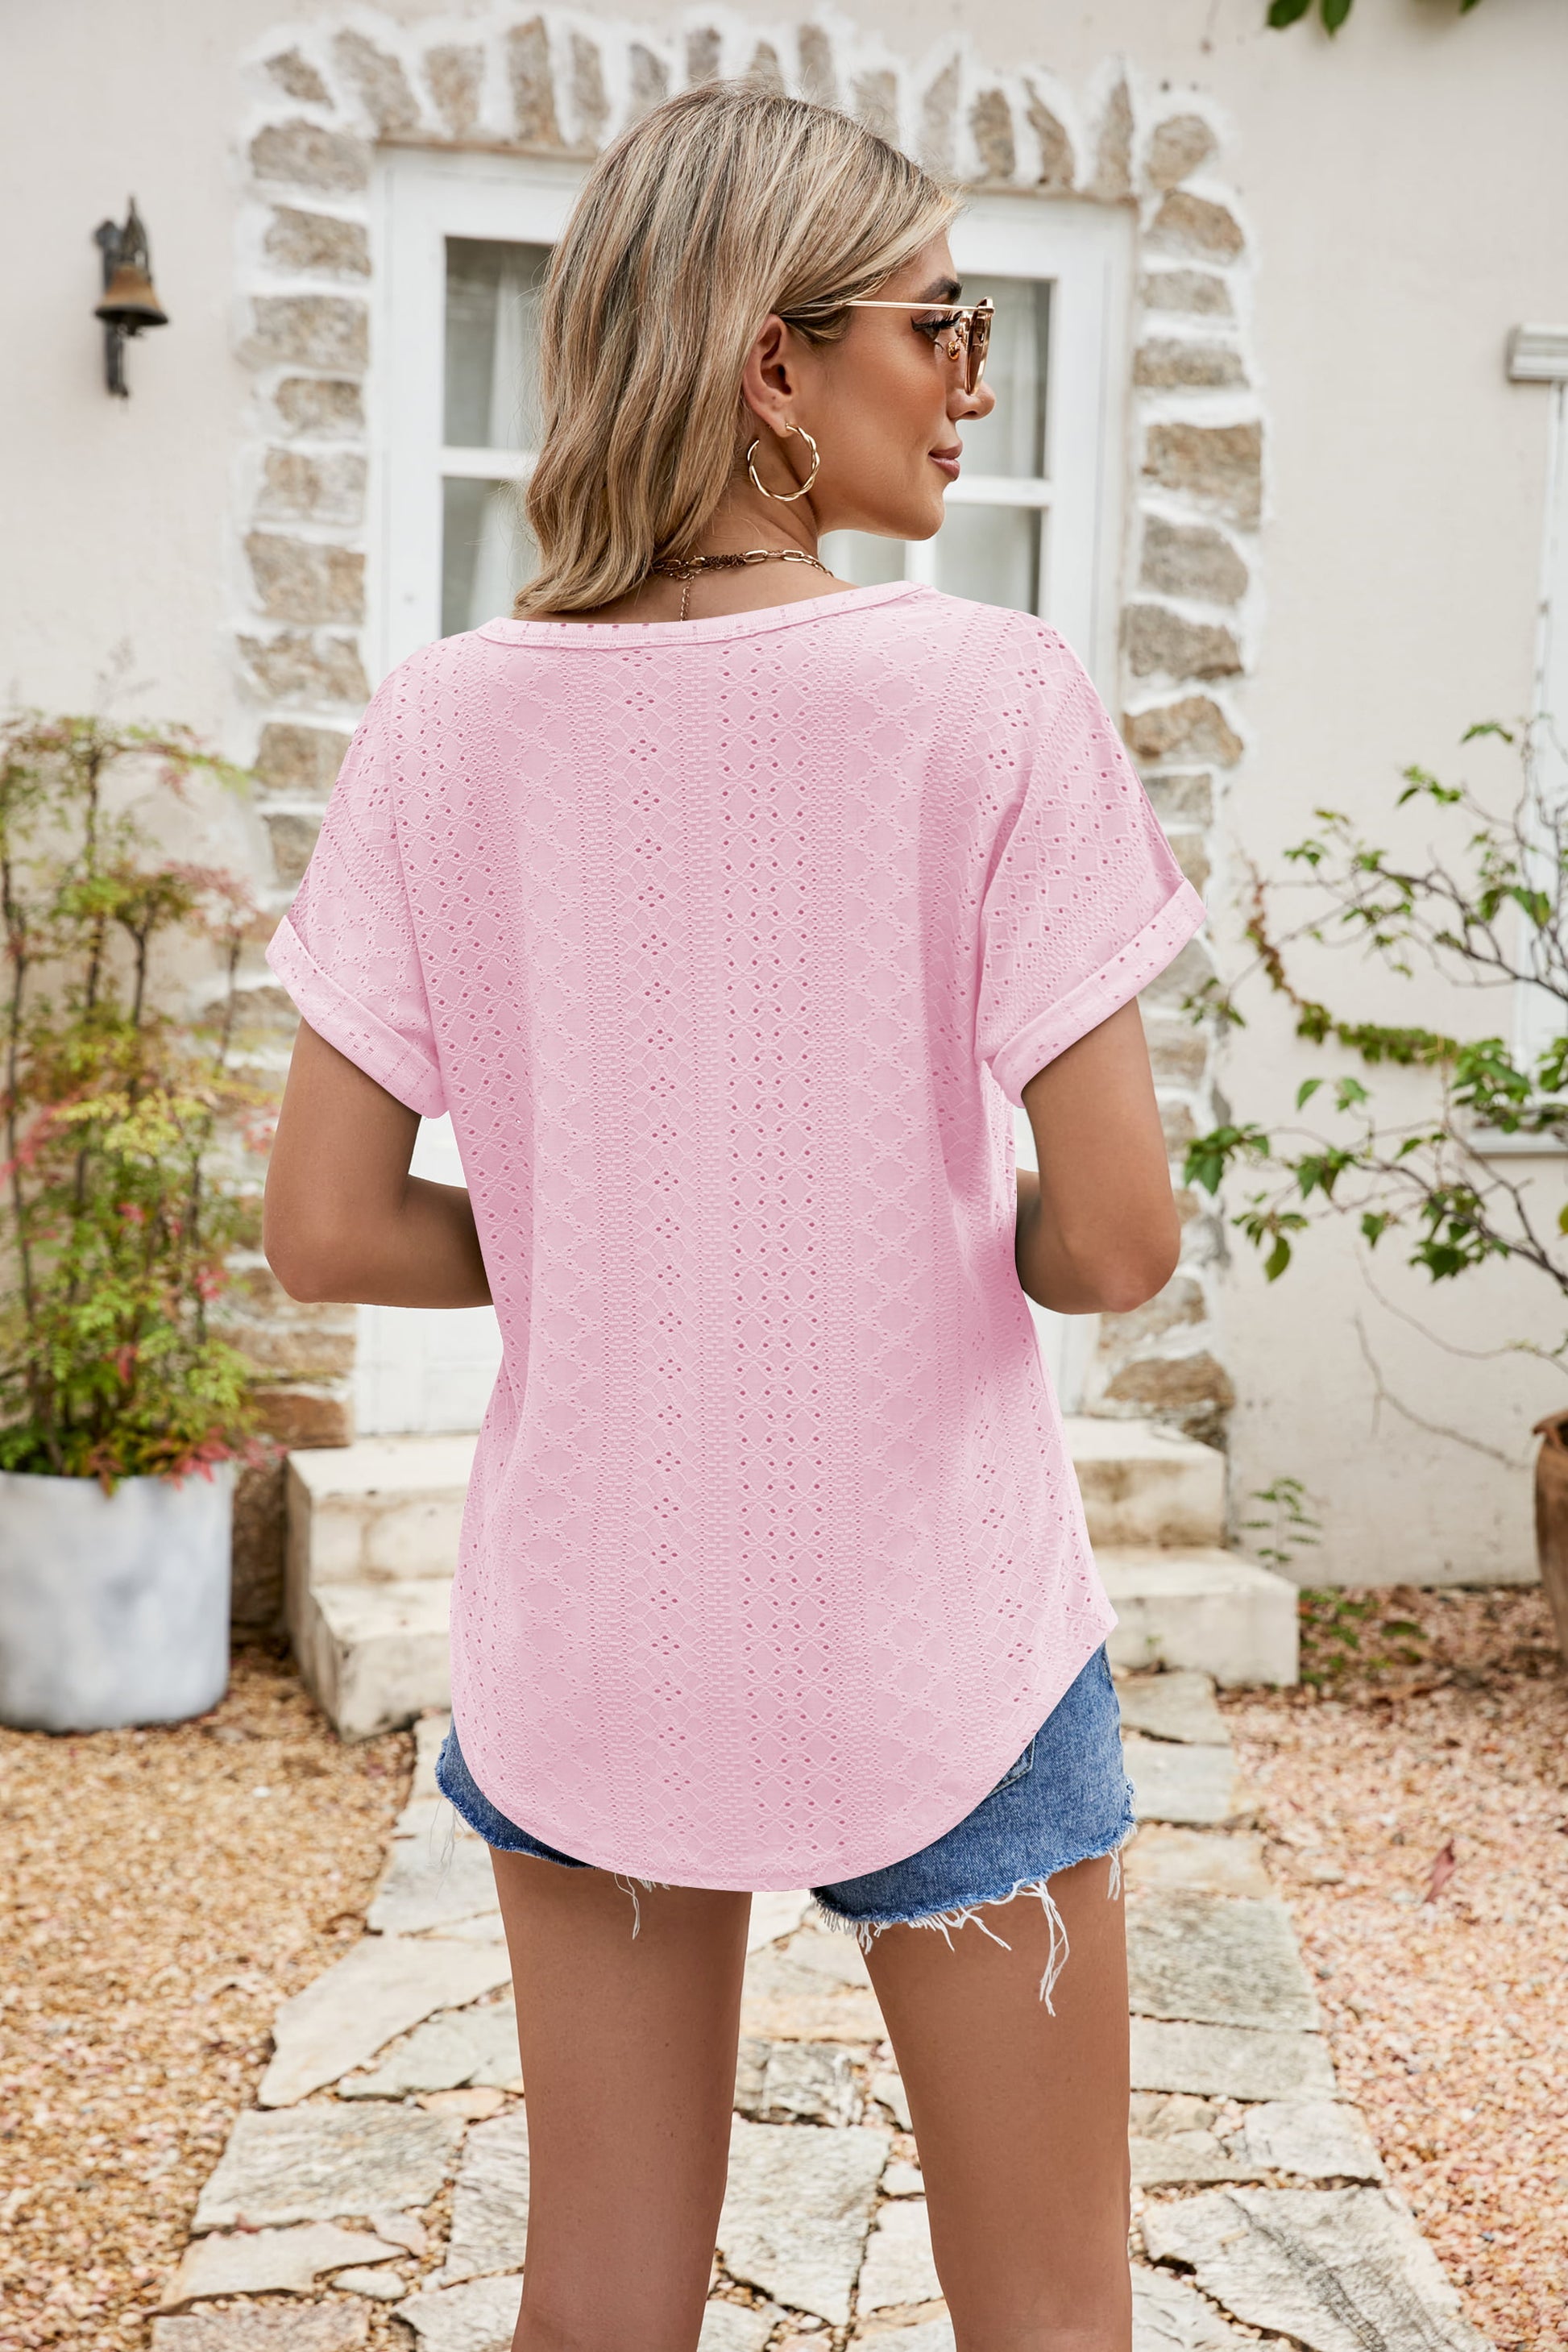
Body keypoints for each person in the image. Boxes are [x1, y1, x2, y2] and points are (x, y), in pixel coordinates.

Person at [263, 81, 1204, 2352]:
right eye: (940, 325)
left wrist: (606, 1236)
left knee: (595, 2307)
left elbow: (325, 1229)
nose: (973, 383)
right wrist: (939, 1230)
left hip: (598, 1636)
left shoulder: (442, 725)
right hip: (936, 1635)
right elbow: (1118, 1240)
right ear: (774, 363)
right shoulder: (988, 693)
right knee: (1051, 2322)